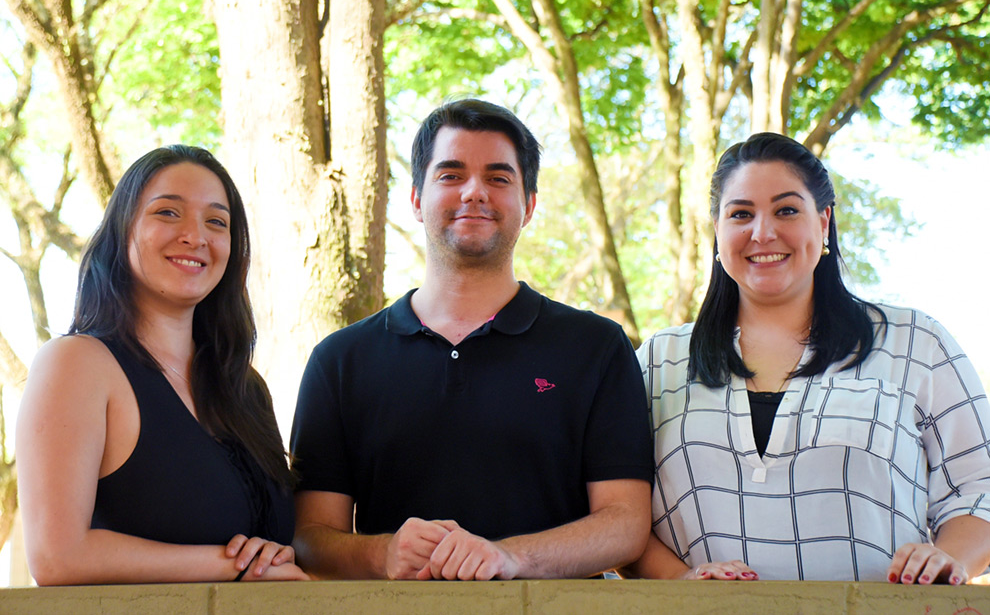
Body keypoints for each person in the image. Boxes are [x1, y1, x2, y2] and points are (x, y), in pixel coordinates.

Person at [290, 98, 653, 580]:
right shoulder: (339, 361)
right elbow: (310, 537)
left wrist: (509, 557)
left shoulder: (597, 348)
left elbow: (626, 526)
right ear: (417, 199)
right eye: (451, 174)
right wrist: (383, 553)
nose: (474, 192)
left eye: (499, 178)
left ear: (529, 206)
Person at [626, 132, 990, 583]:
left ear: (823, 223)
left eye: (786, 210)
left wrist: (949, 559)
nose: (763, 232)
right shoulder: (659, 361)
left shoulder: (915, 342)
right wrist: (681, 583)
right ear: (717, 233)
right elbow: (619, 512)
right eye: (741, 214)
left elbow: (979, 486)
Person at [17, 145, 308, 584]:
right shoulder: (76, 363)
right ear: (122, 230)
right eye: (168, 213)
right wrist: (236, 566)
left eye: (216, 221)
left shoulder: (245, 389)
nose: (196, 236)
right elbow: (57, 557)